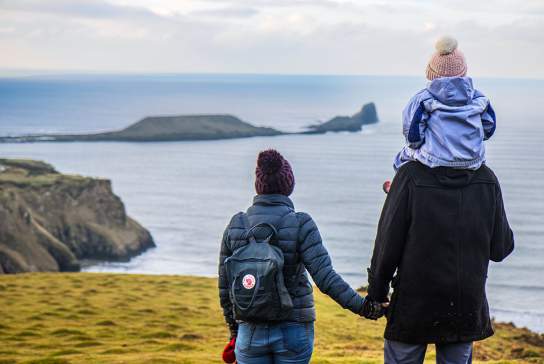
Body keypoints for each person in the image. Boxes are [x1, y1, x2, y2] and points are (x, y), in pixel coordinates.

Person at [218, 149, 380, 364]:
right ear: (288, 184)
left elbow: (225, 286)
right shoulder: (301, 223)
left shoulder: (236, 224)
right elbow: (325, 278)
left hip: (250, 329)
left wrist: (234, 331)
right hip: (293, 329)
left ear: (259, 185)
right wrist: (365, 307)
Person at [366, 163, 514, 362]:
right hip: (465, 306)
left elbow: (387, 244)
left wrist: (377, 293)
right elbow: (501, 248)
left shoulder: (410, 174)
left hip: (413, 305)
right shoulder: (486, 177)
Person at [383, 36, 496, 193]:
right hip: (473, 160)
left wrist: (419, 146)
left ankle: (395, 188)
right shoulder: (479, 98)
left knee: (402, 156)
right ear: (464, 72)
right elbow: (489, 129)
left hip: (435, 159)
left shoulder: (423, 99)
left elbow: (413, 137)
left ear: (431, 73)